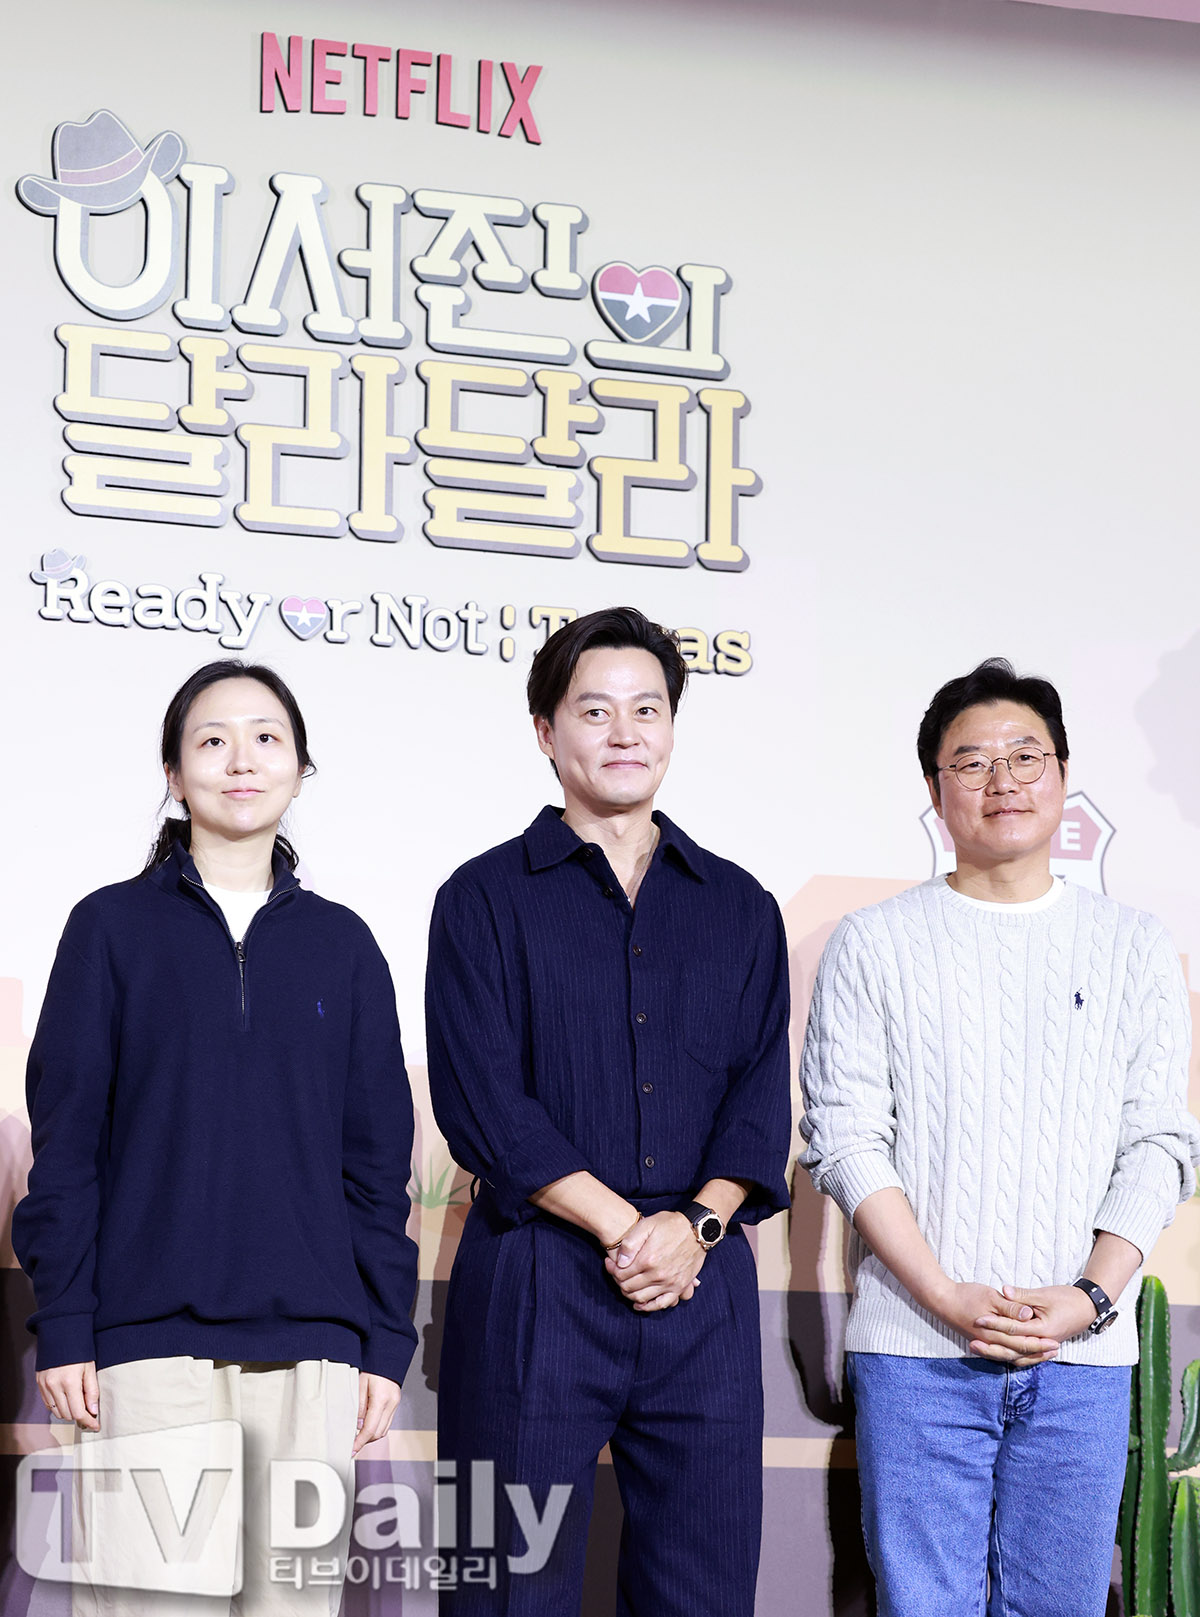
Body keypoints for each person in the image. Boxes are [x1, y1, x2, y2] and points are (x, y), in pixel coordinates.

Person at [14, 658, 419, 1616]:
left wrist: (383, 1339)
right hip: (148, 1352)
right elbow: (66, 1148)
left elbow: (376, 1168)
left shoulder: (345, 945)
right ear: (173, 772)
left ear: (299, 769)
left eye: (267, 738)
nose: (242, 760)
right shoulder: (109, 928)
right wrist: (66, 1324)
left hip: (314, 1357)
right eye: (213, 739)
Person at [799, 657, 1200, 1617]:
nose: (1003, 779)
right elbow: (846, 1138)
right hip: (916, 1350)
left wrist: (1089, 1297)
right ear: (934, 788)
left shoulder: (1136, 944)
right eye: (972, 761)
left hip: (1082, 1358)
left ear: (1062, 775)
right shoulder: (873, 941)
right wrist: (945, 1296)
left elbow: (1160, 1142)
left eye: (1027, 755)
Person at [424, 607, 791, 1616]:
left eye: (647, 709)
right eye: (595, 710)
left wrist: (694, 1227)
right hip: (536, 1274)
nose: (625, 732)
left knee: (704, 1593)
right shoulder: (481, 898)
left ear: (672, 726)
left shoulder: (740, 905)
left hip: (701, 1282)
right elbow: (483, 1104)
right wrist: (633, 1230)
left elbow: (759, 1103)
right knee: (505, 1587)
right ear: (546, 730)